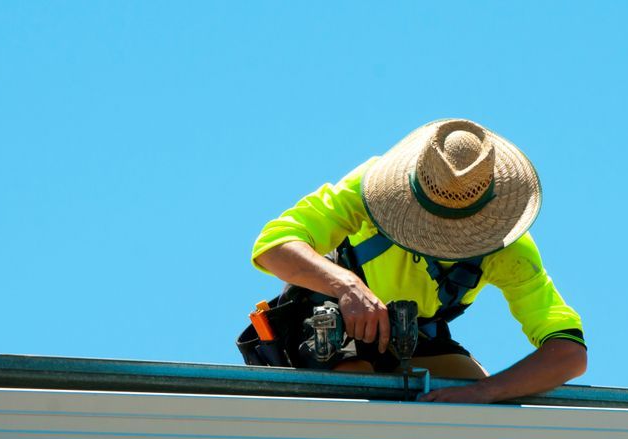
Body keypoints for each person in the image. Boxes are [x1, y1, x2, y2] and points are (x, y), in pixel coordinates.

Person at [251, 118, 586, 403]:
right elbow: (272, 246)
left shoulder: (509, 249)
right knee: (354, 387)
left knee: (485, 414)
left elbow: (569, 352)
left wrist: (486, 390)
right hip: (331, 325)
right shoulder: (368, 188)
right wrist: (346, 285)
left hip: (412, 338)